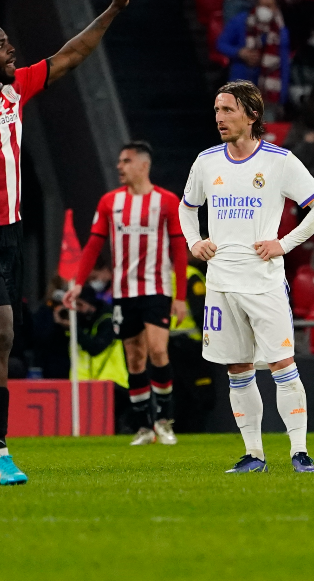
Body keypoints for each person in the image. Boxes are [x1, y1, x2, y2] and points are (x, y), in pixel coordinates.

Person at [0, 0, 132, 486]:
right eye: (0, 46)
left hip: (9, 232)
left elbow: (71, 55)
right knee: (1, 331)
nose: (11, 50)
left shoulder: (16, 90)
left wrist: (111, 10)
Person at [179, 81, 314, 473]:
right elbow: (186, 208)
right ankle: (254, 455)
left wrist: (285, 243)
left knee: (283, 364)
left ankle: (299, 451)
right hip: (220, 283)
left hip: (263, 281)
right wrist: (194, 241)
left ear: (252, 114)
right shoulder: (206, 161)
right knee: (237, 369)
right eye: (216, 110)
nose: (219, 118)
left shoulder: (279, 161)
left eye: (228, 110)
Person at [64, 141, 190, 446]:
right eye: (119, 161)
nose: (119, 166)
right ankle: (144, 427)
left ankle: (164, 420)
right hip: (123, 293)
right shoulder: (110, 202)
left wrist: (181, 296)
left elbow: (178, 250)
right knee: (134, 359)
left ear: (143, 166)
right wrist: (79, 282)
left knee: (158, 350)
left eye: (126, 161)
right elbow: (94, 245)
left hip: (157, 288)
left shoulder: (168, 201)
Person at [216, 0, 291, 112]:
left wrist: (282, 97)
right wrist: (239, 52)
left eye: (268, 6)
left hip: (268, 92)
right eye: (260, 5)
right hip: (240, 84)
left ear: (276, 8)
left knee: (267, 128)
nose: (263, 9)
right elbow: (221, 44)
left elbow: (284, 65)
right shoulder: (240, 21)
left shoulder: (281, 31)